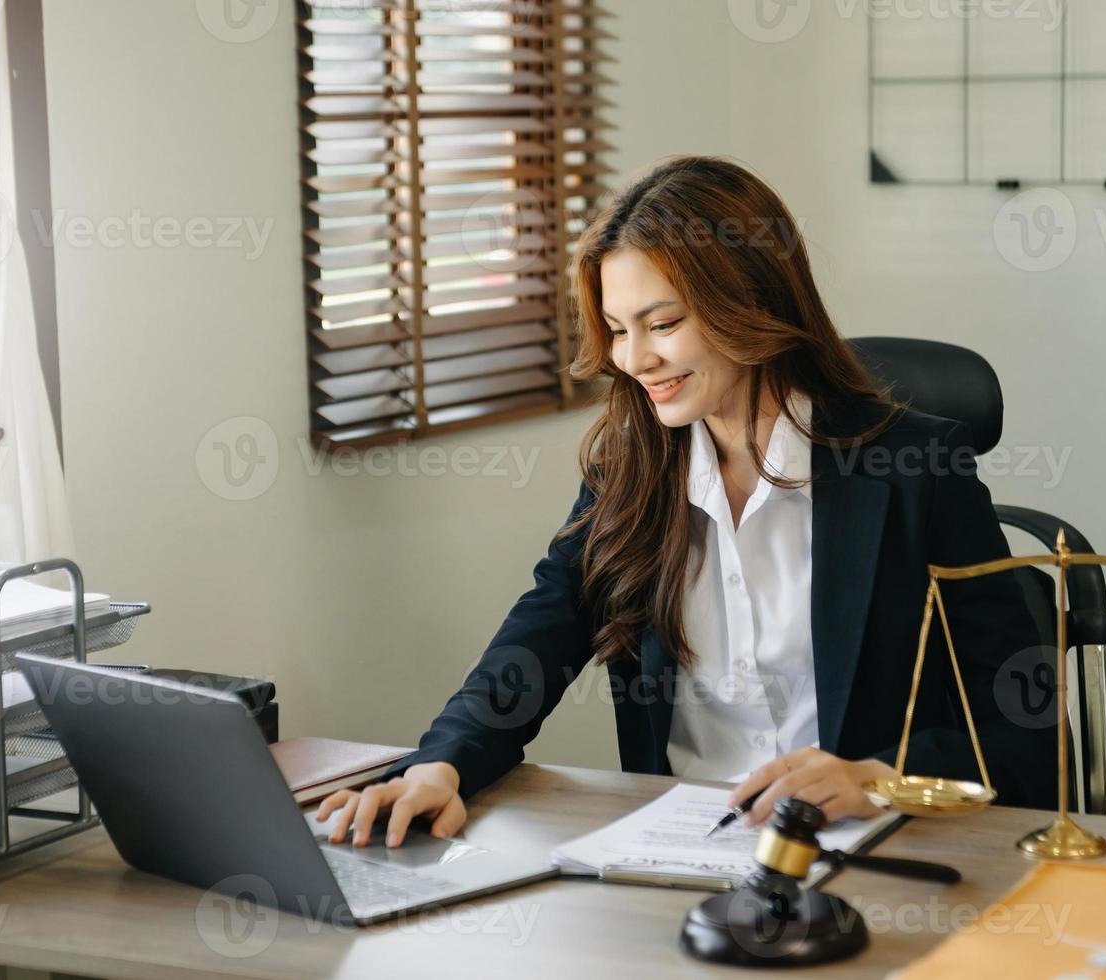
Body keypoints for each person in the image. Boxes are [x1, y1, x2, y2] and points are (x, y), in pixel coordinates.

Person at [315, 155, 1057, 849]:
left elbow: (1028, 732)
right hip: (679, 853)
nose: (635, 360)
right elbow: (536, 641)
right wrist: (440, 766)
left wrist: (881, 778)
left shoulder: (915, 468)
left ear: (752, 300)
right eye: (616, 329)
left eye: (663, 324)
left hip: (871, 854)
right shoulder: (630, 471)